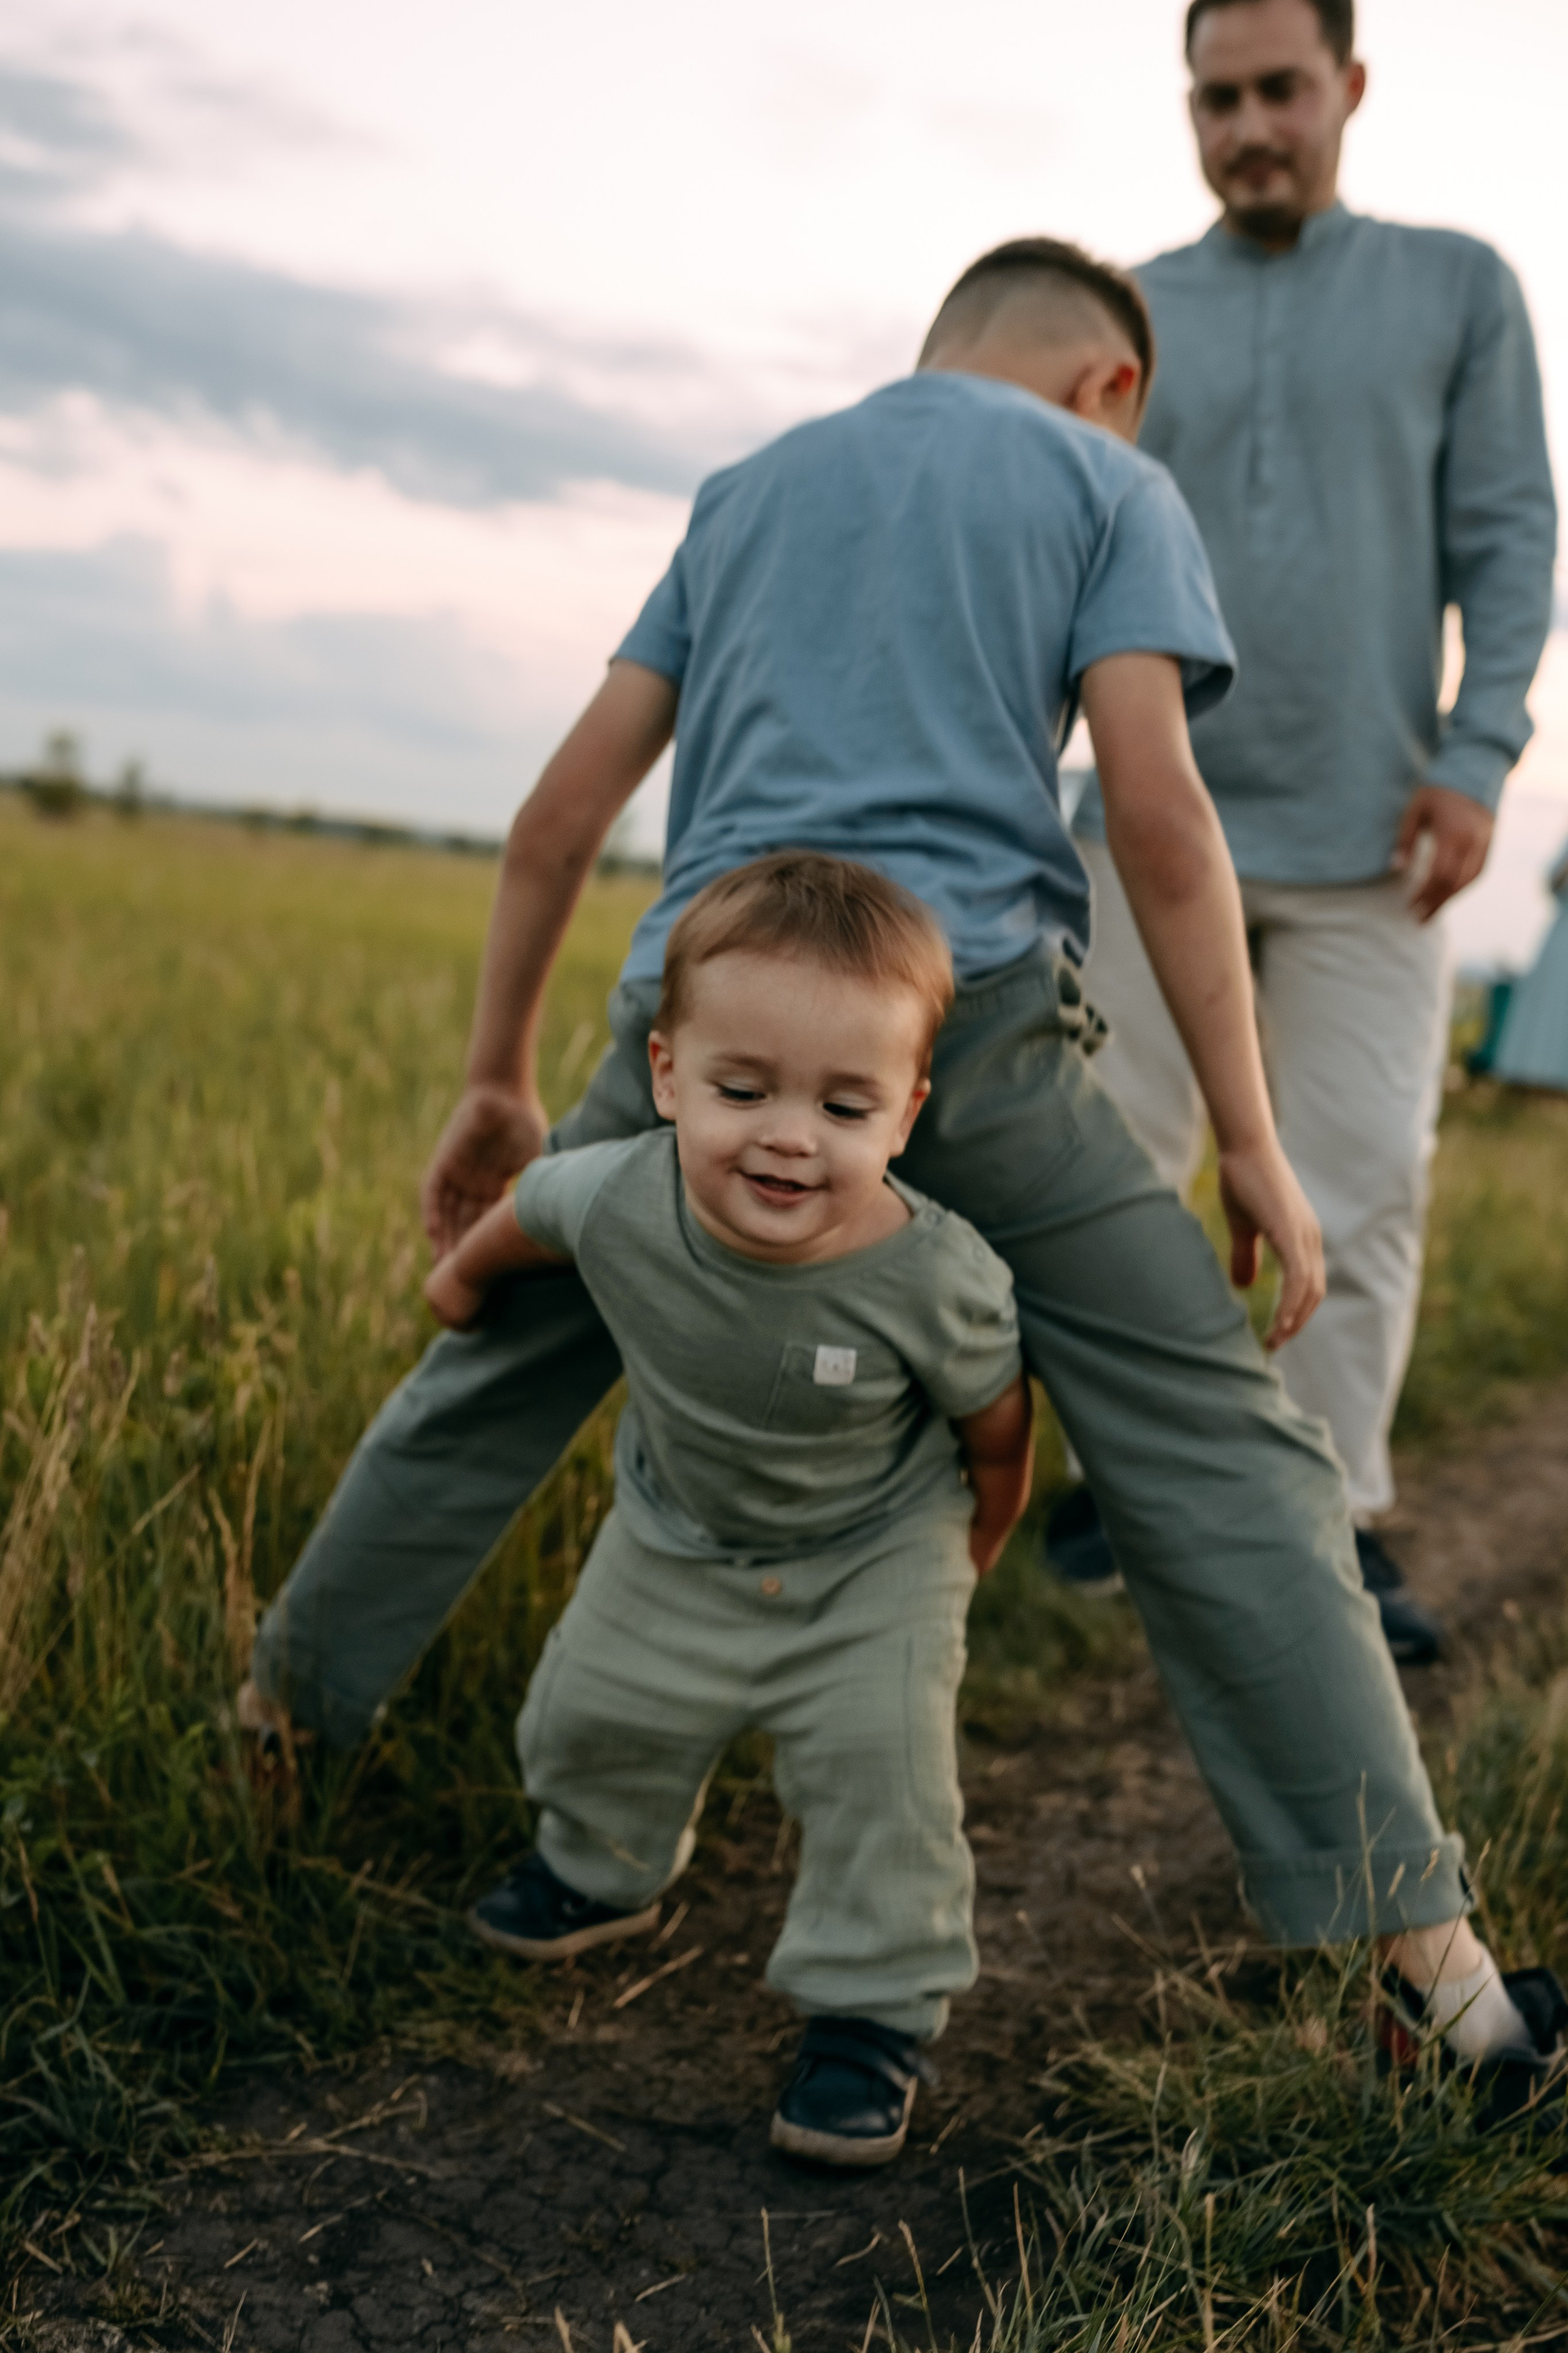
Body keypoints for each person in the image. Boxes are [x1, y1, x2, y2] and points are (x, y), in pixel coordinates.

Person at [245, 235, 1562, 2098]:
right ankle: (1438, 1978)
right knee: (1218, 1444)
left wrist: (494, 1079)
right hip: (968, 1032)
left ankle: (272, 1742)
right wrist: (1249, 1139)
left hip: (700, 1024)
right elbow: (1157, 814)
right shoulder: (1109, 480)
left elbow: (558, 814)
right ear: (1114, 384)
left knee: (494, 1366)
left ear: (937, 349)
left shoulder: (753, 486)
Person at [1058, 0, 1558, 1663]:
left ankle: (1328, 1524)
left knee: (1357, 1178)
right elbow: (1060, 552)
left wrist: (1477, 757)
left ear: (1349, 87)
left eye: (1280, 90)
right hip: (1142, 830)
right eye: (1216, 99)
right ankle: (1125, 1487)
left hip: (1373, 838)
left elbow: (1510, 538)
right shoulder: (1128, 313)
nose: (1248, 127)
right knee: (1112, 1167)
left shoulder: (1457, 288)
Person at [421, 853, 1033, 2165]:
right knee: (594, 1708)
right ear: (666, 1076)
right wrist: (458, 1284)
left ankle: (871, 2011)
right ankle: (600, 1865)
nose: (787, 1135)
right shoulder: (622, 1192)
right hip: (678, 1530)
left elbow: (994, 1421)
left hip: (876, 1553)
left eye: (843, 1104)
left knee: (882, 1772)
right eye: (742, 1089)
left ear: (905, 1113)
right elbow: (528, 1211)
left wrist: (978, 1538)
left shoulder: (937, 1276)